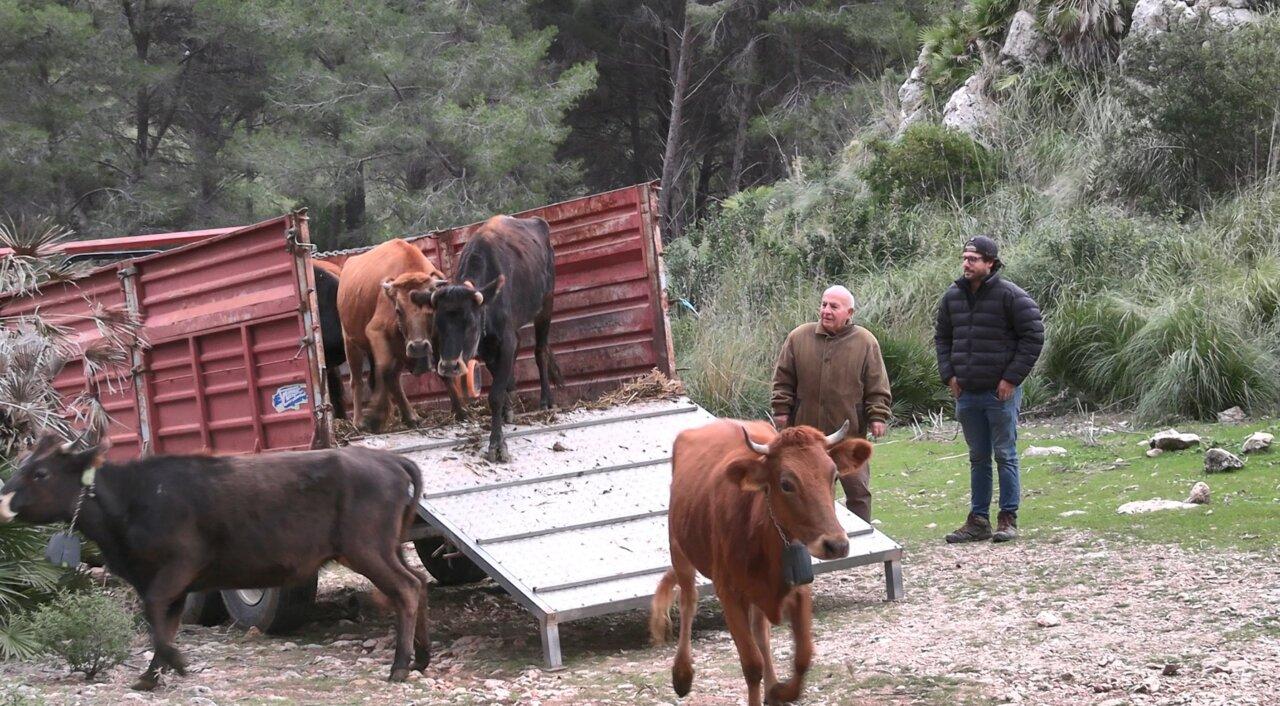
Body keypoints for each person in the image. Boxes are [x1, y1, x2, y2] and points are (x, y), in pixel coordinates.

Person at [935, 236, 1043, 544]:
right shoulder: (952, 297)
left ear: (990, 263)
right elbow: (942, 337)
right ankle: (978, 520)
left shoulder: (1011, 296)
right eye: (965, 258)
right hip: (967, 392)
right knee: (977, 457)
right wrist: (949, 376)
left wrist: (1011, 378)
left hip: (1000, 394)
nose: (966, 263)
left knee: (1005, 454)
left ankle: (1007, 518)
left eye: (973, 259)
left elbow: (1033, 335)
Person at [771, 285, 892, 523]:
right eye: (824, 304)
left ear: (849, 312)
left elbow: (877, 384)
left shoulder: (866, 342)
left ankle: (863, 543)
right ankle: (808, 544)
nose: (826, 311)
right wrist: (781, 411)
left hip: (849, 436)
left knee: (858, 492)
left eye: (834, 306)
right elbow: (782, 379)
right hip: (806, 439)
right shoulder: (798, 337)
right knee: (805, 492)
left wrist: (878, 416)